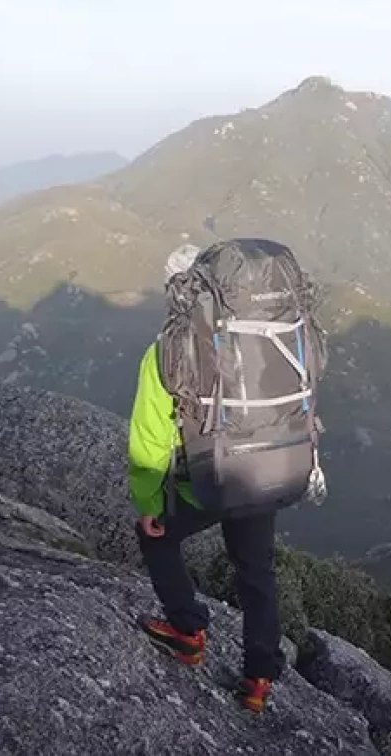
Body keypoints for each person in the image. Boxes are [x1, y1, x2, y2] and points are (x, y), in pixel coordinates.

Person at [128, 244, 284, 714]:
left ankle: (187, 631)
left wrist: (149, 501)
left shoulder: (166, 351)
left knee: (154, 536)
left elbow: (150, 439)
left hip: (210, 477)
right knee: (257, 573)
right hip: (264, 471)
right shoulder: (267, 337)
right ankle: (258, 679)